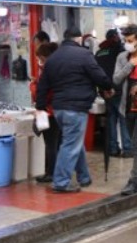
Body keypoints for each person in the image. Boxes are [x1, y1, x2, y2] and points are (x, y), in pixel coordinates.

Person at [36, 27, 113, 193]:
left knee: (74, 141)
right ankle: (61, 182)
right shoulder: (84, 55)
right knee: (71, 144)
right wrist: (108, 86)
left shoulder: (53, 58)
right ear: (78, 39)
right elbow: (98, 76)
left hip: (58, 109)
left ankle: (84, 177)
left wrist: (40, 106)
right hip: (76, 107)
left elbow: (43, 85)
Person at [113, 24, 137, 196]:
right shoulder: (122, 57)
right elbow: (116, 79)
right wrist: (130, 64)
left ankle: (134, 181)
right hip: (127, 106)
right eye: (125, 40)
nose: (127, 44)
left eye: (130, 40)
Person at [95, 29, 129, 157]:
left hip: (106, 91)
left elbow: (96, 72)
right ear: (115, 37)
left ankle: (113, 149)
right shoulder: (118, 50)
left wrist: (102, 89)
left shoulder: (98, 53)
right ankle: (127, 148)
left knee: (111, 120)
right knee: (123, 119)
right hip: (119, 89)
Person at [31, 42, 61, 182]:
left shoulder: (47, 72)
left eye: (40, 58)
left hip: (49, 112)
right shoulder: (60, 68)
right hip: (59, 110)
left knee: (50, 144)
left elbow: (41, 93)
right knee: (58, 143)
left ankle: (51, 173)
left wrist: (33, 85)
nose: (39, 61)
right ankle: (58, 171)